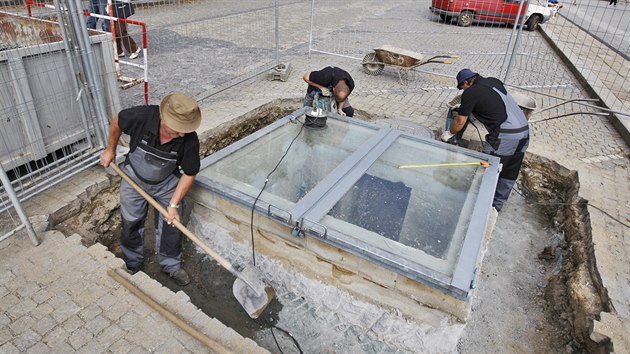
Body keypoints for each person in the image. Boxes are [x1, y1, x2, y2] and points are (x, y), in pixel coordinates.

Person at [99, 93, 202, 286]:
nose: (182, 134)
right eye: (177, 129)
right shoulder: (142, 116)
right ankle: (133, 261)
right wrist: (110, 149)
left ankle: (170, 265)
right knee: (131, 222)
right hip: (133, 179)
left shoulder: (189, 140)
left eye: (184, 130)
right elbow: (118, 121)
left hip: (166, 185)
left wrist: (173, 204)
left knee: (172, 224)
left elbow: (189, 173)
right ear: (163, 118)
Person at [441, 69, 529, 212]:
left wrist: (448, 133)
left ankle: (478, 208)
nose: (462, 90)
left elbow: (459, 121)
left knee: (488, 169)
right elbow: (493, 105)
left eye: (461, 87)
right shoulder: (494, 81)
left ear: (466, 82)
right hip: (524, 131)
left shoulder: (470, 93)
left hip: (505, 135)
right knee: (510, 169)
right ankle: (496, 206)